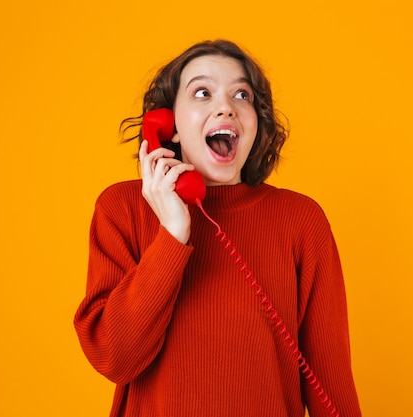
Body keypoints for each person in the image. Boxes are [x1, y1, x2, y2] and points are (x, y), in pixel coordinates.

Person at [74, 39, 361, 417]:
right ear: (168, 125)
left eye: (242, 94)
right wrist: (173, 234)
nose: (225, 107)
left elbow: (331, 383)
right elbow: (115, 356)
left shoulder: (300, 220)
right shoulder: (122, 209)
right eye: (203, 93)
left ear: (256, 124)